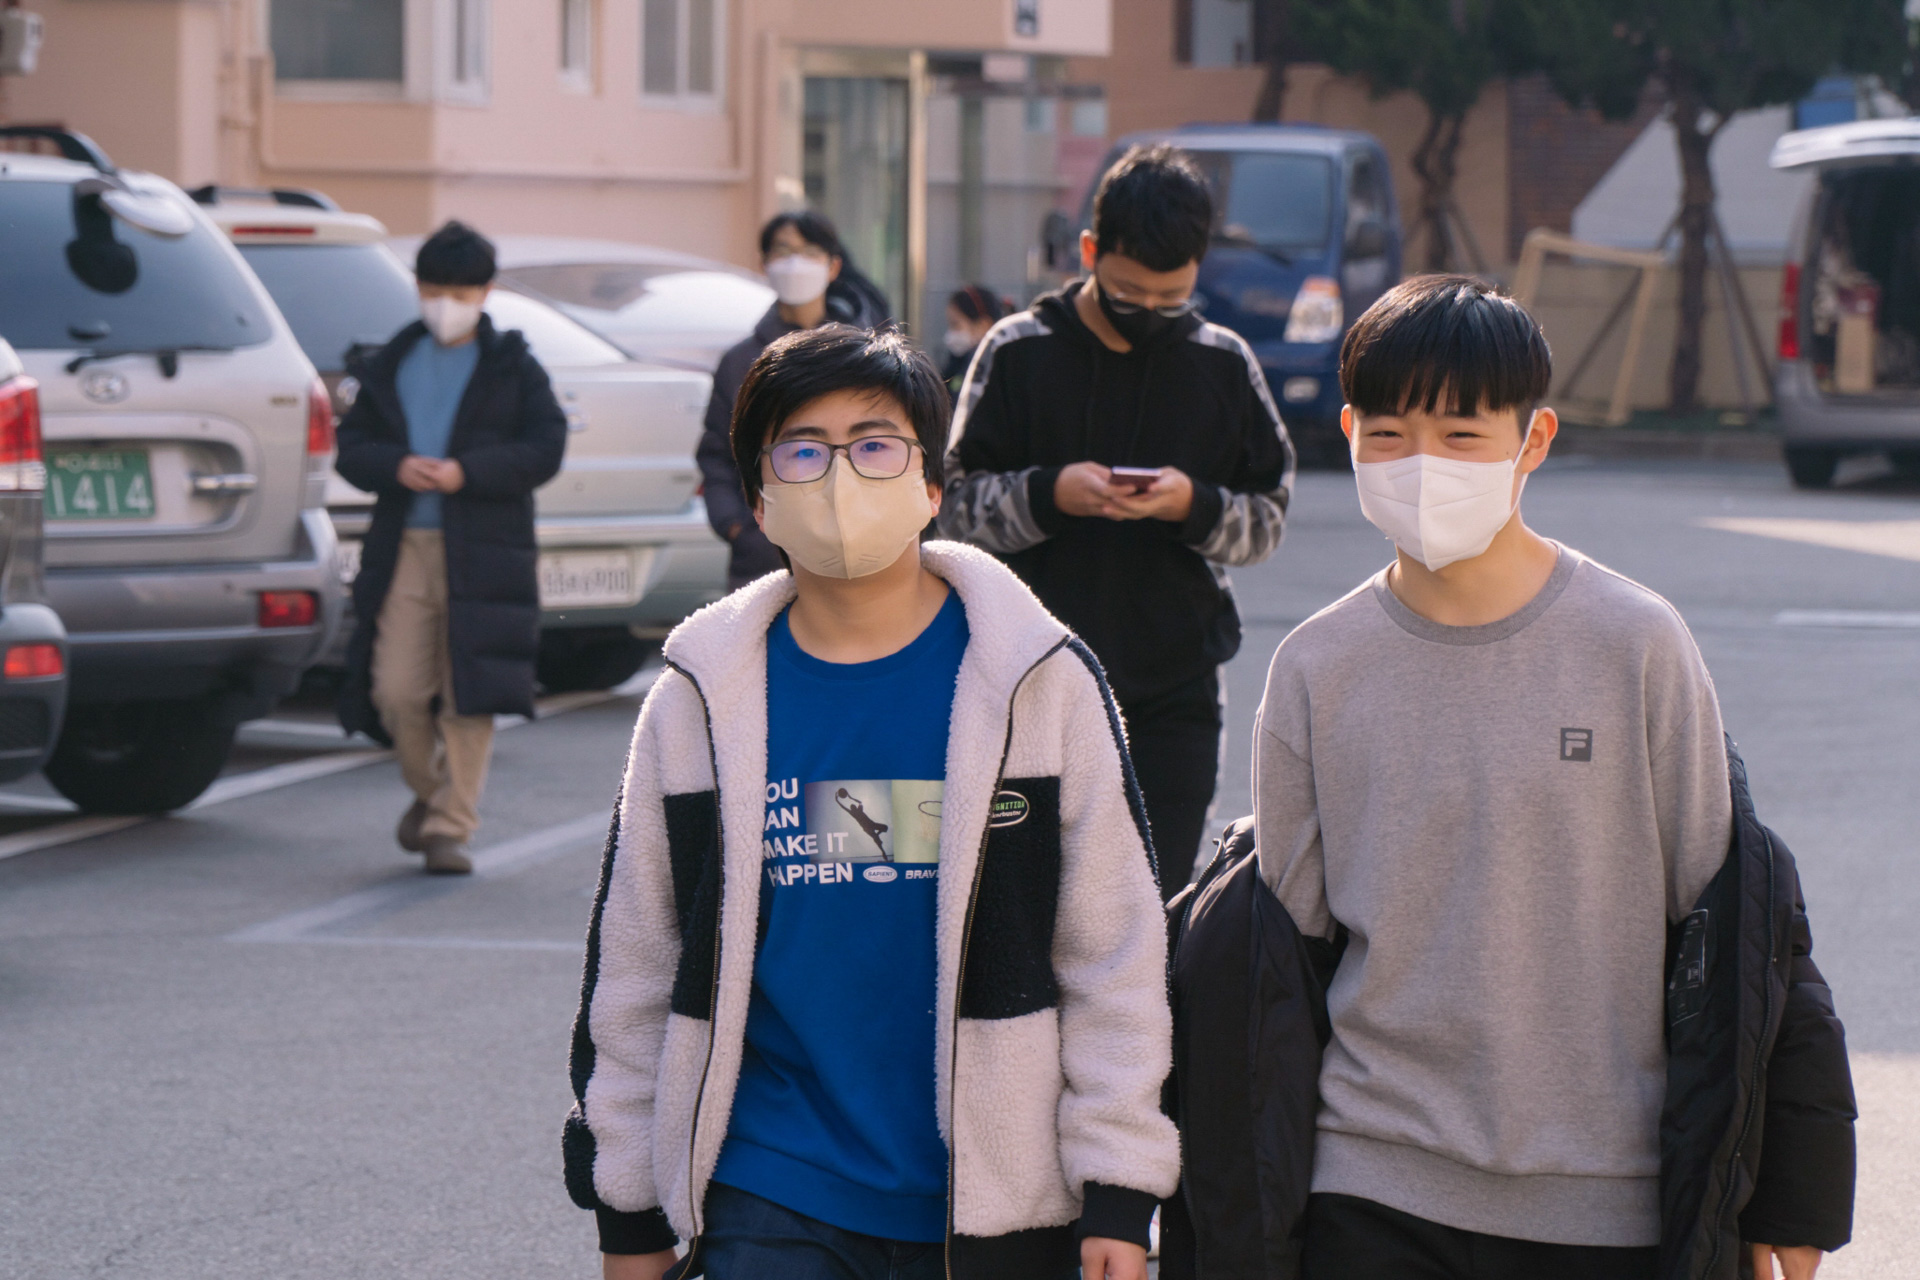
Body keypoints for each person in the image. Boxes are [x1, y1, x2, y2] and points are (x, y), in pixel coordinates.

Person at [1248, 276, 1855, 1279]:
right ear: (1348, 432)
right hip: (1370, 1179)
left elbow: (1740, 924)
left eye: (1461, 435)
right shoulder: (1316, 665)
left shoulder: (1636, 643)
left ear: (1534, 440)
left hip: (1604, 1197)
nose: (1422, 465)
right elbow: (1281, 963)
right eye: (1389, 434)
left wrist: (1794, 1188)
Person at [564, 324, 1178, 1280]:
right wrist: (628, 1211)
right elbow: (638, 964)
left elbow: (1112, 950)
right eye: (803, 451)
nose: (841, 477)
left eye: (876, 445)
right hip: (770, 1180)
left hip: (1000, 1193)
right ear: (760, 497)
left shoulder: (1037, 681)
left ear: (932, 485)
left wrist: (1120, 1185)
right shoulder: (700, 698)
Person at [938, 143, 1294, 899]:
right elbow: (951, 510)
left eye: (1172, 297)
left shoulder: (1223, 363)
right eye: (1130, 292)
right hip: (1025, 679)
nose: (1150, 314)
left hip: (1174, 690)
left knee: (1155, 902)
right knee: (1022, 904)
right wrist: (1049, 496)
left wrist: (1192, 505)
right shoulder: (1018, 351)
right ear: (1090, 252)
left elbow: (1268, 519)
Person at [335, 221, 567, 874]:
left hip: (486, 549)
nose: (446, 305)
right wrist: (396, 465)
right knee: (395, 691)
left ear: (486, 293)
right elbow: (352, 447)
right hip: (403, 545)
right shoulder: (390, 361)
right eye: (434, 290)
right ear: (418, 287)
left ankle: (449, 827)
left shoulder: (513, 365)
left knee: (471, 693)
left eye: (460, 293)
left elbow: (545, 446)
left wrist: (470, 472)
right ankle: (432, 791)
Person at [697, 211, 894, 591]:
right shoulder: (740, 361)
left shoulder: (863, 355)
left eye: (809, 252)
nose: (795, 263)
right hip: (762, 558)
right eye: (783, 251)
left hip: (856, 549)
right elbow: (716, 454)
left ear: (833, 266)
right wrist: (734, 524)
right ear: (764, 263)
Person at [941, 285, 1006, 397]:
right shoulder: (957, 364)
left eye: (955, 324)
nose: (949, 335)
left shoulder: (993, 372)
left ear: (984, 325)